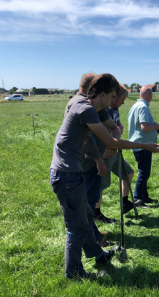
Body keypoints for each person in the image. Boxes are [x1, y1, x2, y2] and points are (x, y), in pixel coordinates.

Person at [50, 73, 159, 279]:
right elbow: (111, 142)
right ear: (102, 94)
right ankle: (74, 273)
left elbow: (114, 129)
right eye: (112, 96)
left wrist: (115, 136)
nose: (114, 101)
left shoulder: (94, 108)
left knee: (85, 217)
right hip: (66, 174)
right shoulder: (84, 109)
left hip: (71, 172)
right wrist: (144, 145)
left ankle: (98, 255)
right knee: (76, 227)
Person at [64, 72, 111, 242]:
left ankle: (92, 236)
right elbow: (88, 138)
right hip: (86, 161)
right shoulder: (81, 105)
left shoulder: (88, 103)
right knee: (87, 203)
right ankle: (92, 236)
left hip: (88, 160)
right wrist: (98, 159)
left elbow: (111, 125)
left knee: (89, 201)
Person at [95, 86, 135, 222]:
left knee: (128, 172)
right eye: (122, 99)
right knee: (102, 184)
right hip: (106, 151)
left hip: (115, 150)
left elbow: (117, 125)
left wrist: (119, 127)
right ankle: (96, 213)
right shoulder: (105, 110)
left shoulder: (115, 110)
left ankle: (124, 202)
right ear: (114, 97)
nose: (123, 102)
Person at [128, 86, 159, 208]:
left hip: (140, 143)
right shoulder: (142, 107)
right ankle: (138, 199)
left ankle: (144, 195)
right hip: (143, 144)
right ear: (149, 95)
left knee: (145, 171)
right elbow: (145, 127)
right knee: (144, 172)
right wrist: (156, 126)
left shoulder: (135, 106)